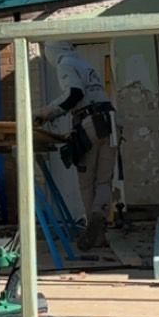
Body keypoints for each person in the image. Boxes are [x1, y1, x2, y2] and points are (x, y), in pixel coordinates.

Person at [37, 40, 116, 253]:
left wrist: (48, 112)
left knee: (87, 181)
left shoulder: (65, 64)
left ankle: (93, 224)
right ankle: (100, 221)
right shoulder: (85, 64)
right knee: (104, 180)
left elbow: (75, 94)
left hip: (90, 122)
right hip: (111, 122)